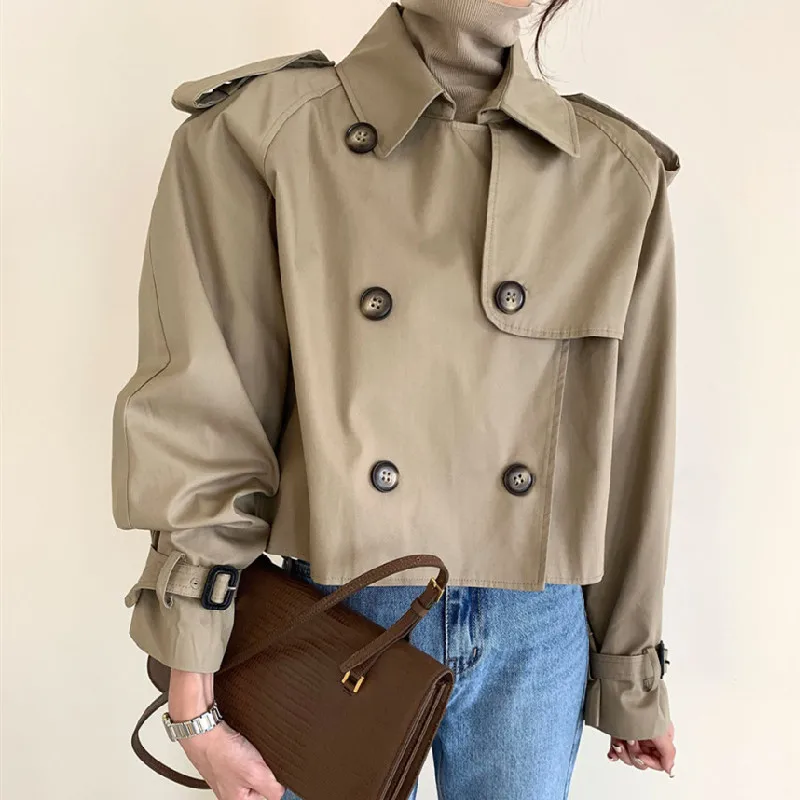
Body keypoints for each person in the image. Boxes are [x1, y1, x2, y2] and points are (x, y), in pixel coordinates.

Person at [112, 1, 680, 797]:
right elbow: (204, 413)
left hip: (537, 629)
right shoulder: (260, 133)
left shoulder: (613, 168)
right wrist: (191, 691)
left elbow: (632, 441)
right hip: (336, 606)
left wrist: (631, 671)